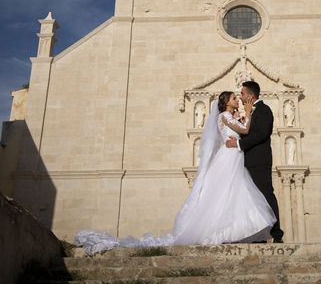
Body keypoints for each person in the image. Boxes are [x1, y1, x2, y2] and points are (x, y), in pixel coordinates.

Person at [75, 91, 275, 254]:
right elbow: (246, 130)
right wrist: (248, 112)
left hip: (234, 157)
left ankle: (232, 231)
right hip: (229, 156)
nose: (237, 100)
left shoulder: (230, 116)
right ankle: (219, 231)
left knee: (234, 193)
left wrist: (242, 115)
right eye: (234, 98)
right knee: (225, 192)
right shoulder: (224, 116)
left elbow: (241, 129)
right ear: (225, 103)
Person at [225, 81, 284, 243]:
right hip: (245, 161)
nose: (240, 97)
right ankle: (259, 235)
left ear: (251, 96)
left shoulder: (264, 111)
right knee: (252, 199)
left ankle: (277, 234)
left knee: (265, 194)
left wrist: (238, 143)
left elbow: (260, 134)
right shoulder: (249, 112)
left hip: (259, 160)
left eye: (242, 94)